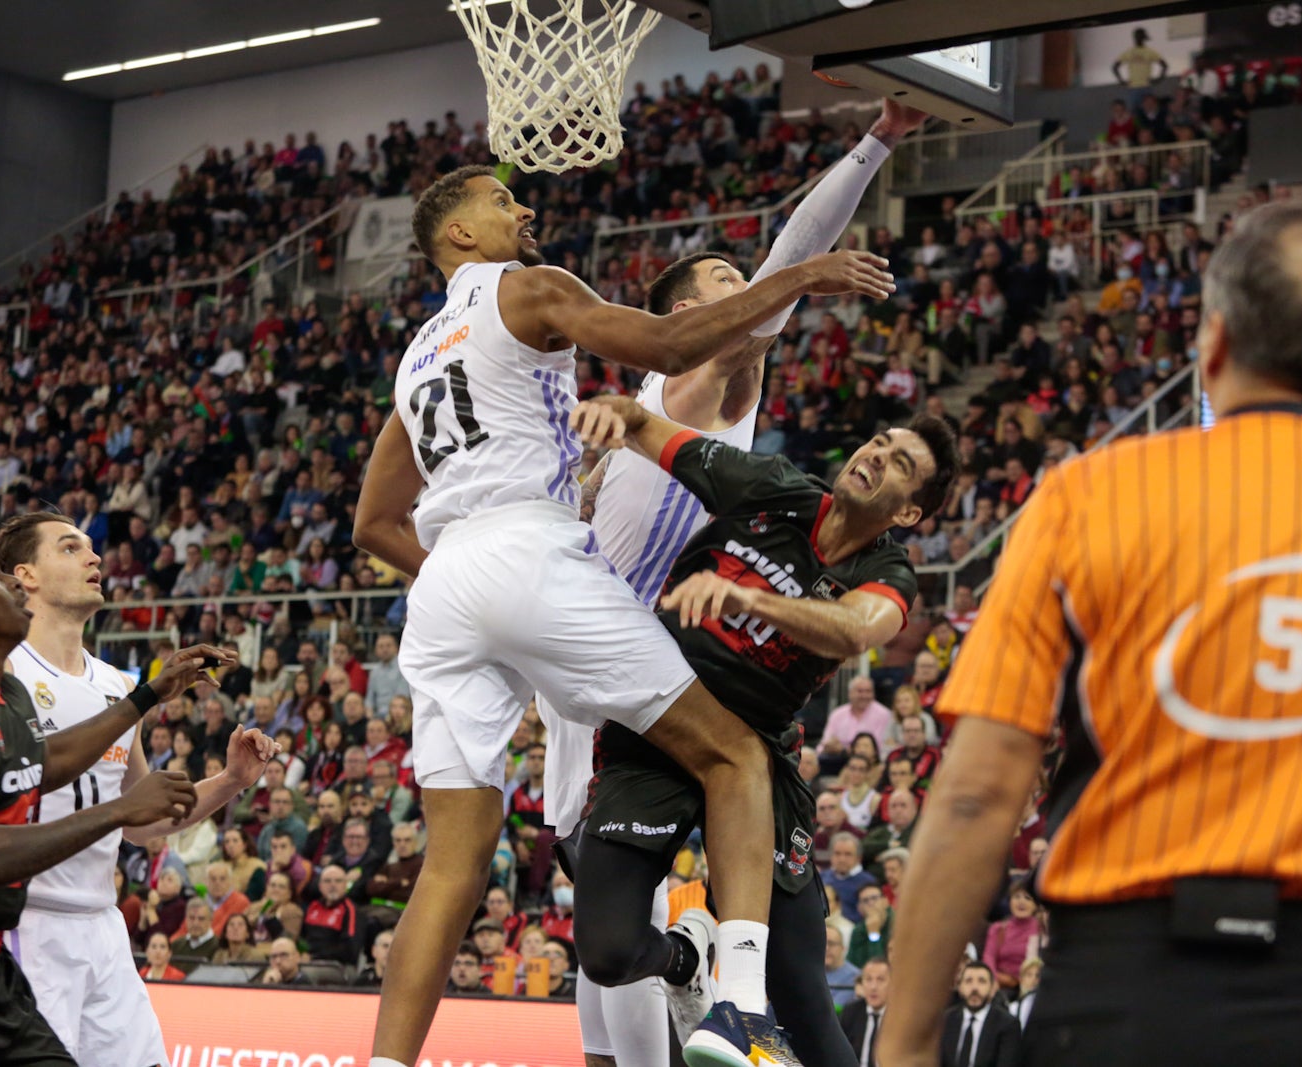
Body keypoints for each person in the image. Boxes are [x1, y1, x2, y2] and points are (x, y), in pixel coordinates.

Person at [881, 202, 1302, 1067]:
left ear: (1217, 341)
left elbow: (977, 793)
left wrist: (903, 1046)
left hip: (1128, 996)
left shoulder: (1087, 498)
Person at [354, 163, 897, 1067]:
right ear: (458, 235)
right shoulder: (531, 287)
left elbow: (374, 520)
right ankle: (738, 1007)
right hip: (536, 561)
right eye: (500, 201)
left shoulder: (416, 358)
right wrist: (799, 276)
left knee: (453, 868)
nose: (522, 208)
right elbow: (667, 345)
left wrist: (472, 586)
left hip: (448, 589)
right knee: (733, 753)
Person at [540, 100, 929, 1067]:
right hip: (576, 655)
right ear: (679, 310)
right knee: (590, 922)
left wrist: (877, 140)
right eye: (721, 283)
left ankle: (705, 987)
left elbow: (785, 266)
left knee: (608, 887)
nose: (745, 295)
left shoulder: (722, 375)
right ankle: (683, 974)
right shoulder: (637, 401)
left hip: (660, 659)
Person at [565, 393, 955, 1067]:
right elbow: (646, 425)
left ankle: (741, 996)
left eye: (897, 463)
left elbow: (861, 627)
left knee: (800, 991)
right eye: (878, 442)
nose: (874, 456)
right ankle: (686, 959)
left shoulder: (886, 572)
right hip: (658, 727)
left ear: (909, 511)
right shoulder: (774, 485)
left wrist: (751, 597)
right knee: (607, 953)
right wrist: (612, 417)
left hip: (755, 756)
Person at [0, 521, 208, 1066]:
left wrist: (148, 694)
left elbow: (45, 763)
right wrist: (119, 810)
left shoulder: (1, 692)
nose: (10, 584)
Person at [0, 511, 277, 1067]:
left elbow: (140, 820)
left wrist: (230, 781)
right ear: (25, 575)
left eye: (92, 548)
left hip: (102, 922)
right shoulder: (3, 670)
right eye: (71, 549)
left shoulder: (120, 686)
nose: (95, 558)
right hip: (27, 920)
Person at [941, 962, 1020, 1067]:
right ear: (960, 988)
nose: (975, 988)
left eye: (982, 981)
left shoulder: (1007, 1025)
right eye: (968, 981)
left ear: (992, 989)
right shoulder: (946, 1020)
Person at [839, 958, 891, 1067]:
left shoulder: (900, 1016)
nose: (873, 987)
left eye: (880, 980)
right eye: (868, 979)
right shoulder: (851, 1012)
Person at [824, 924, 862, 1009]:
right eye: (823, 943)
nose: (826, 948)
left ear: (843, 948)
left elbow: (835, 1008)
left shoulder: (854, 976)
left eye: (831, 943)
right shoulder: (810, 973)